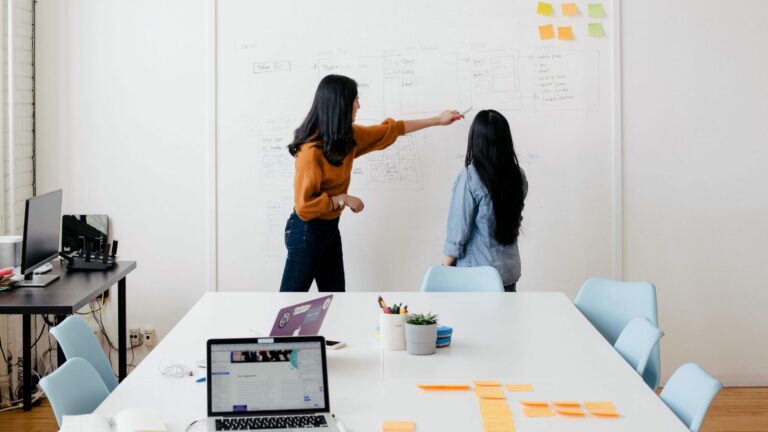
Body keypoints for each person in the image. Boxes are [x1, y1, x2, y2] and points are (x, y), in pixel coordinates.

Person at [280, 74, 462, 292]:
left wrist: (437, 120)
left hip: (329, 229)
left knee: (336, 300)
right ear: (340, 104)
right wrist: (341, 199)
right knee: (290, 305)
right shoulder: (310, 152)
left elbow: (391, 130)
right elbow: (303, 207)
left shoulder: (346, 138)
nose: (359, 105)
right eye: (355, 100)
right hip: (305, 231)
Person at [442, 109, 527, 292]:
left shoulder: (470, 178)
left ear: (476, 140)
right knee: (505, 321)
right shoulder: (518, 176)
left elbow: (457, 234)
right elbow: (514, 221)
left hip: (476, 276)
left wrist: (443, 269)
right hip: (508, 273)